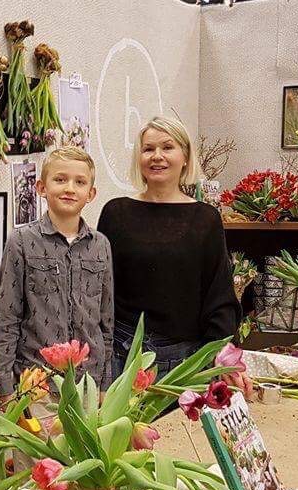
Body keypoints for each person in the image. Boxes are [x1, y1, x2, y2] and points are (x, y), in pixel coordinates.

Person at [97, 116, 240, 376]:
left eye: (167, 147)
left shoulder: (205, 219)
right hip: (121, 357)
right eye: (148, 149)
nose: (157, 156)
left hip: (182, 361)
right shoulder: (115, 213)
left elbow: (218, 293)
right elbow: (99, 288)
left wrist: (222, 352)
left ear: (185, 156)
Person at [0, 146, 113, 399]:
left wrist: (105, 383)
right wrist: (5, 387)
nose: (70, 188)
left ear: (91, 194)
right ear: (41, 188)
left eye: (80, 182)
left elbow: (106, 320)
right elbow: (6, 318)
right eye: (60, 179)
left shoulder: (101, 245)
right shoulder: (21, 242)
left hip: (88, 383)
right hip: (38, 383)